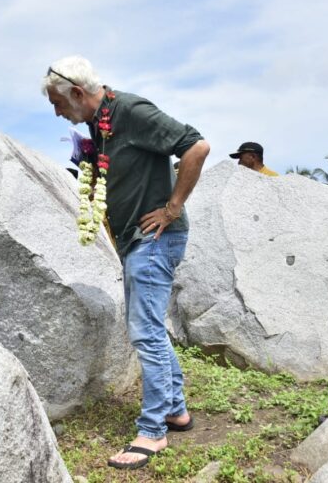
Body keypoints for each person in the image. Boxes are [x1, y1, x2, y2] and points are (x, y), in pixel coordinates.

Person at [42, 55, 210, 470]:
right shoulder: (99, 128)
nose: (59, 113)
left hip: (155, 237)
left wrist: (171, 208)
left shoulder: (130, 112)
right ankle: (175, 409)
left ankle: (152, 432)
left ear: (78, 93)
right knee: (150, 327)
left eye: (59, 104)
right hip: (137, 243)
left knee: (144, 332)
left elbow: (196, 146)